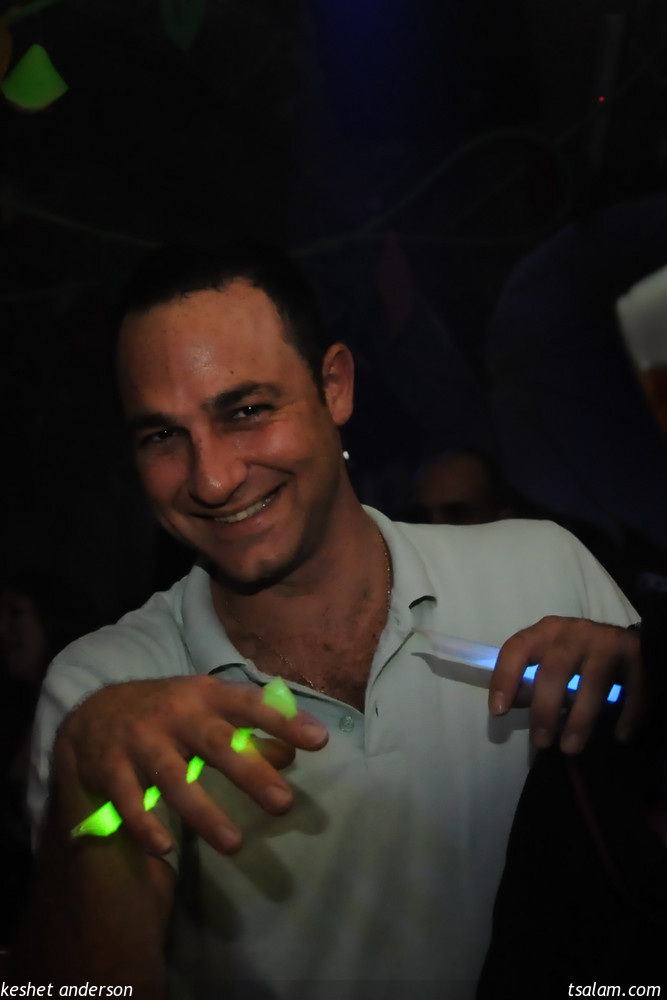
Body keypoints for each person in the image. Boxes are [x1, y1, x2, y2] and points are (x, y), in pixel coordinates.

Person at [19, 243, 642, 999]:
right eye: (161, 437)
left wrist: (649, 687)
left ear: (334, 386)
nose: (211, 479)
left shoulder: (543, 571)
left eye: (246, 411)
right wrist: (89, 785)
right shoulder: (101, 689)